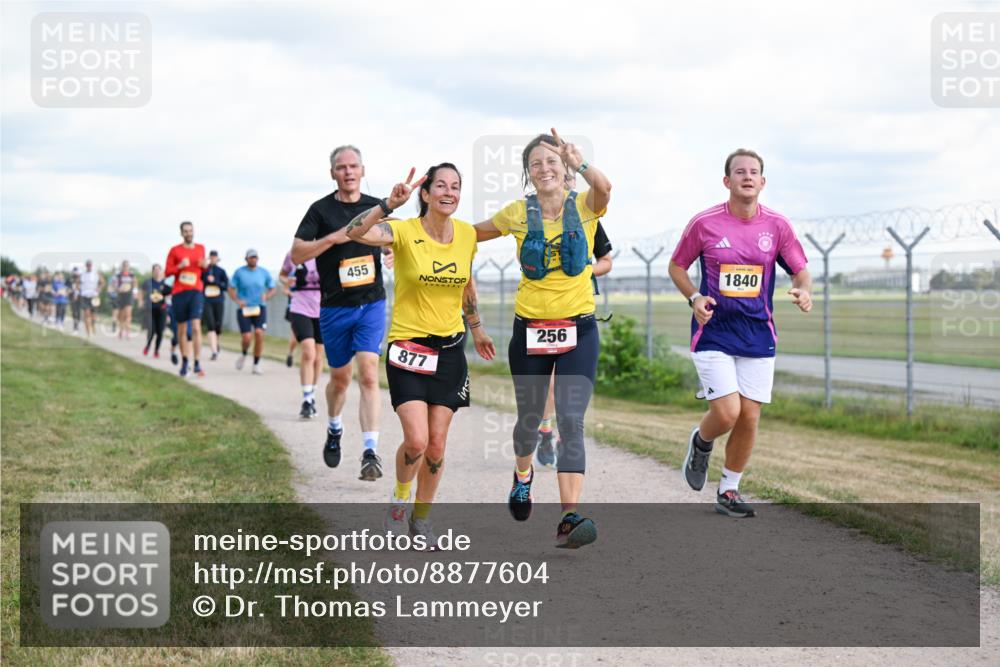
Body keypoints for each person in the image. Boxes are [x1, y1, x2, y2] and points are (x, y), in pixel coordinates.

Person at [474, 129, 611, 549]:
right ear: (528, 174)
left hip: (578, 328)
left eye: (553, 161)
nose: (545, 168)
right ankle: (522, 476)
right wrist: (416, 237)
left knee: (571, 421)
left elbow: (604, 188)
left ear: (565, 167)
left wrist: (581, 161)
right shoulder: (517, 212)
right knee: (530, 422)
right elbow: (467, 236)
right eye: (536, 163)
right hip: (530, 329)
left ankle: (570, 517)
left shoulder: (586, 206)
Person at [346, 163, 495, 545]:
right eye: (441, 186)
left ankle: (422, 517)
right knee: (416, 440)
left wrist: (476, 329)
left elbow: (466, 283)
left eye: (456, 186)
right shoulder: (403, 230)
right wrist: (386, 204)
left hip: (449, 350)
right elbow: (354, 231)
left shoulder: (466, 235)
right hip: (408, 347)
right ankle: (399, 502)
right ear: (425, 194)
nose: (449, 192)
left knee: (437, 445)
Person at [668, 148, 812, 518]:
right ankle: (701, 442)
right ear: (727, 181)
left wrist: (803, 289)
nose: (747, 177)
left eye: (754, 172)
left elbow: (800, 269)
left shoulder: (777, 226)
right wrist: (695, 297)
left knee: (749, 416)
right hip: (713, 331)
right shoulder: (705, 223)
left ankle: (729, 490)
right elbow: (677, 267)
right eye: (739, 171)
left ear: (762, 182)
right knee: (728, 413)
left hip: (757, 335)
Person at [291, 145, 389, 480]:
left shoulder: (375, 207)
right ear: (332, 173)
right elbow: (298, 252)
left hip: (371, 303)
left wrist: (394, 251)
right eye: (341, 167)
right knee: (340, 379)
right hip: (334, 307)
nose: (348, 172)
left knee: (370, 373)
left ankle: (370, 451)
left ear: (363, 170)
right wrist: (331, 238)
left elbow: (398, 236)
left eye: (353, 166)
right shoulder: (319, 210)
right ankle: (334, 427)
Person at [536, 218, 614, 468]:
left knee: (568, 384)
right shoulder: (536, 216)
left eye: (569, 178)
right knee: (547, 381)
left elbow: (606, 261)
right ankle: (545, 430)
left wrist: (583, 270)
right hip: (541, 313)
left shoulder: (588, 217)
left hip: (577, 315)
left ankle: (562, 436)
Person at [280, 252, 324, 418]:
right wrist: (287, 280)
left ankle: (312, 395)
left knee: (319, 356)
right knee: (308, 352)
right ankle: (306, 400)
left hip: (323, 308)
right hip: (300, 307)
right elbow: (282, 275)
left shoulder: (327, 251)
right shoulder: (293, 254)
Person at [164, 221, 209, 377]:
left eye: (191, 230)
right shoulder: (175, 250)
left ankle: (197, 363)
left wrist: (205, 265)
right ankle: (185, 362)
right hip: (179, 292)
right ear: (181, 233)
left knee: (196, 327)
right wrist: (180, 266)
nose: (189, 233)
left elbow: (204, 269)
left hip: (196, 291)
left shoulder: (201, 248)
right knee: (182, 329)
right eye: (185, 231)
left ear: (193, 232)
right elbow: (167, 271)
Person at [228, 249, 277, 375]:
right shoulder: (239, 272)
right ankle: (244, 354)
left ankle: (256, 364)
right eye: (251, 257)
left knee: (259, 333)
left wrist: (267, 296)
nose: (253, 259)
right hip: (244, 308)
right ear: (246, 259)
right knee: (247, 337)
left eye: (255, 257)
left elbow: (272, 288)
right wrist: (238, 301)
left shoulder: (263, 272)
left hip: (259, 307)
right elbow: (231, 288)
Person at [202, 250, 229, 361]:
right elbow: (200, 284)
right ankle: (214, 351)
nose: (212, 259)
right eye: (211, 257)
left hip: (218, 301)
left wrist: (215, 281)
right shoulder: (204, 271)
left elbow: (226, 286)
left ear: (217, 258)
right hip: (207, 301)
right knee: (211, 325)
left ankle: (216, 343)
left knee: (218, 326)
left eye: (214, 257)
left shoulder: (221, 271)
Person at [141, 264, 169, 358]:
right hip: (151, 309)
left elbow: (170, 295)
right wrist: (141, 301)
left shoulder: (166, 284)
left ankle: (156, 350)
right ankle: (148, 346)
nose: (157, 272)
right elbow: (141, 291)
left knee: (160, 332)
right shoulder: (148, 282)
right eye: (155, 270)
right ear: (153, 272)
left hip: (162, 310)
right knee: (151, 330)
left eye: (159, 270)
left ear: (161, 272)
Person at [79, 260, 104, 337]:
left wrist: (99, 288)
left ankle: (93, 325)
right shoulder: (82, 274)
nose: (89, 266)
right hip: (85, 296)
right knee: (87, 314)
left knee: (93, 316)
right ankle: (88, 333)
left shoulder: (96, 274)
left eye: (90, 265)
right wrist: (79, 289)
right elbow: (77, 283)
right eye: (88, 265)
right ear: (86, 266)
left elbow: (102, 282)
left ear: (92, 266)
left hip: (94, 296)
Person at [115, 260, 138, 339]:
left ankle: (128, 332)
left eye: (127, 265)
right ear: (122, 266)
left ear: (128, 267)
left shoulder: (132, 275)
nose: (125, 267)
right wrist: (118, 289)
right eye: (124, 265)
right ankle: (121, 330)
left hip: (129, 295)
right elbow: (115, 284)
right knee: (121, 316)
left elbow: (135, 284)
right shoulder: (119, 275)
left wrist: (135, 292)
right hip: (121, 296)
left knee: (128, 314)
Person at [69, 268, 82, 334]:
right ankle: (75, 327)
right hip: (73, 298)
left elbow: (82, 289)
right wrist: (70, 291)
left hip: (80, 298)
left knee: (78, 312)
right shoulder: (71, 280)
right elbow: (68, 289)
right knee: (74, 312)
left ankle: (77, 325)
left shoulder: (81, 281)